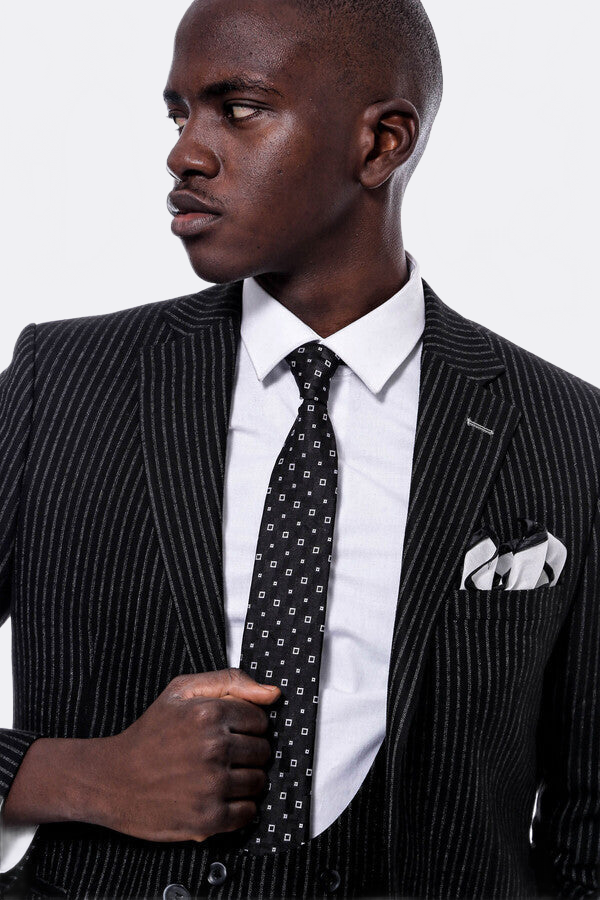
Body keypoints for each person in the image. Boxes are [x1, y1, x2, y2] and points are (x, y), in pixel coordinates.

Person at [0, 0, 599, 897]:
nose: (184, 153)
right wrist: (82, 778)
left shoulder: (567, 430)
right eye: (179, 114)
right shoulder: (65, 382)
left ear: (381, 144)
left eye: (237, 109)